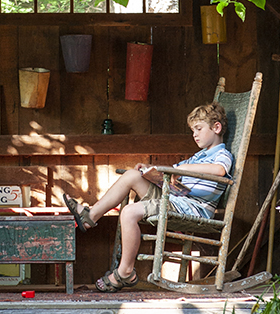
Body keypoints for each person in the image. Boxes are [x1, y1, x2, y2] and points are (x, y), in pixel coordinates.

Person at [63, 102, 232, 292]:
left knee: (128, 212)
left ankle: (125, 272)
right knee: (132, 175)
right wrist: (148, 170)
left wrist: (183, 169)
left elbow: (219, 170)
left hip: (191, 208)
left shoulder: (222, 154)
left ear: (216, 127)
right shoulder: (197, 157)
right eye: (193, 130)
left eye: (199, 129)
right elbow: (173, 170)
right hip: (175, 198)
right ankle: (90, 216)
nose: (194, 134)